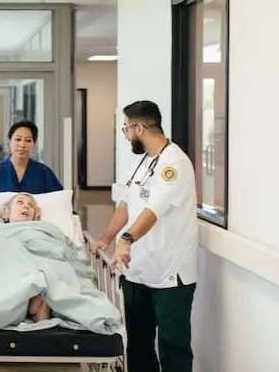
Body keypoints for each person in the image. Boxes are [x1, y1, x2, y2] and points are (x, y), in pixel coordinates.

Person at [90, 100, 198, 372]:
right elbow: (127, 205)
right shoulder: (141, 162)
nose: (125, 135)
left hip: (171, 274)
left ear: (140, 127)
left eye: (125, 129)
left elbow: (153, 210)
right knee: (137, 345)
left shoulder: (174, 163)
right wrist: (106, 238)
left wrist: (125, 240)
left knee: (173, 348)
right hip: (137, 270)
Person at [0, 193, 51, 322]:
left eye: (30, 205)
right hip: (12, 270)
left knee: (52, 265)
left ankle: (40, 302)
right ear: (7, 211)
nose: (26, 206)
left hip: (39, 265)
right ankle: (36, 303)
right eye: (20, 202)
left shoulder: (45, 232)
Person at [0, 120, 62, 194]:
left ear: (33, 144)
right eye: (18, 139)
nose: (22, 145)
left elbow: (57, 200)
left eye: (28, 140)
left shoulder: (43, 172)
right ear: (10, 141)